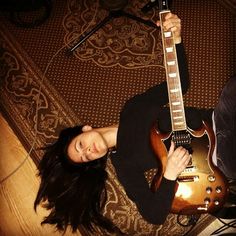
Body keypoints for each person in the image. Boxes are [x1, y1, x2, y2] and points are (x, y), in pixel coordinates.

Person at [34, 12, 236, 234]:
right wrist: (169, 175)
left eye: (80, 145)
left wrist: (175, 40)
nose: (89, 151)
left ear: (84, 129)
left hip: (217, 119)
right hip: (217, 160)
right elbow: (153, 214)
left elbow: (181, 83)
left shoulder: (131, 108)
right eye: (86, 158)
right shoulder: (124, 163)